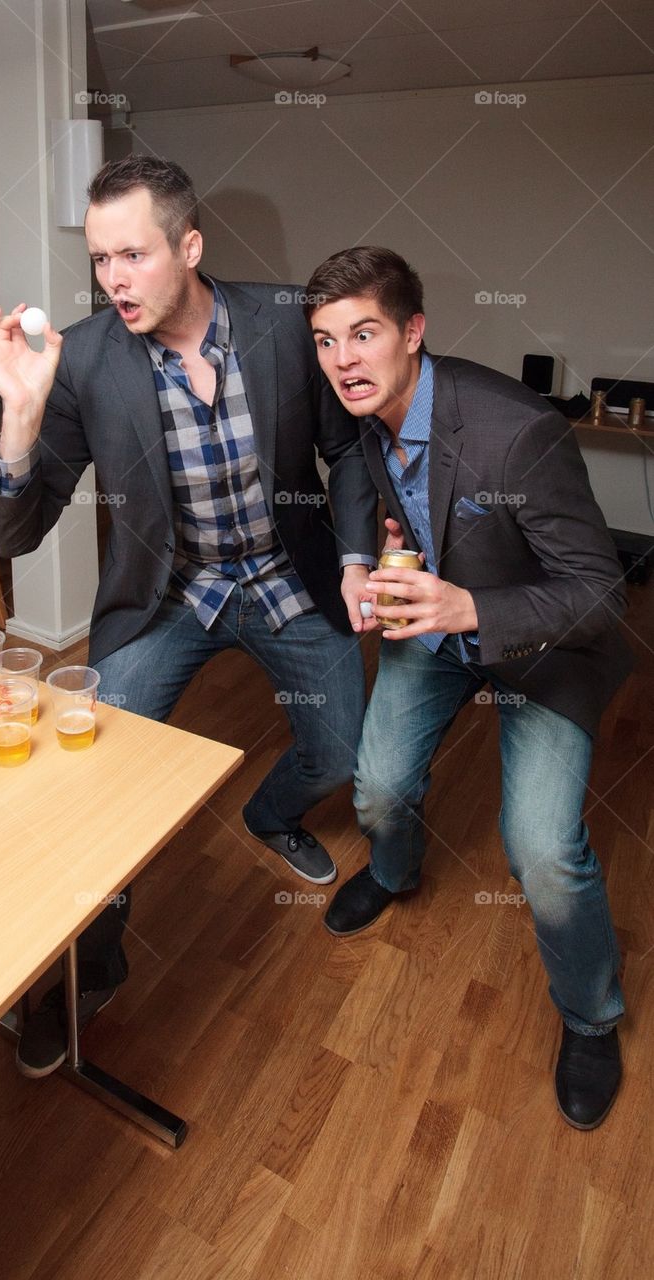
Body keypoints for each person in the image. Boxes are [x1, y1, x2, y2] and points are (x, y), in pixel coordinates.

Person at [0, 156, 375, 1079]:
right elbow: (12, 533)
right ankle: (85, 966)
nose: (112, 279)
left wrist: (352, 557)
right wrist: (19, 419)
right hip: (168, 598)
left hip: (285, 579)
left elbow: (345, 451)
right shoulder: (81, 361)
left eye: (134, 255)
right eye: (100, 257)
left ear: (189, 247)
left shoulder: (282, 322)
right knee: (92, 773)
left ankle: (269, 816)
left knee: (342, 754)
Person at [305, 245, 633, 1130]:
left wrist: (467, 606)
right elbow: (357, 479)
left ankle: (592, 1016)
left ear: (413, 332)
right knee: (376, 788)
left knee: (540, 851)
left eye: (364, 333)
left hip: (540, 647)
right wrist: (365, 559)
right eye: (326, 340)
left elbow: (601, 593)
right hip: (434, 619)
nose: (343, 359)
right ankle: (395, 872)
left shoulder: (514, 429)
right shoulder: (361, 411)